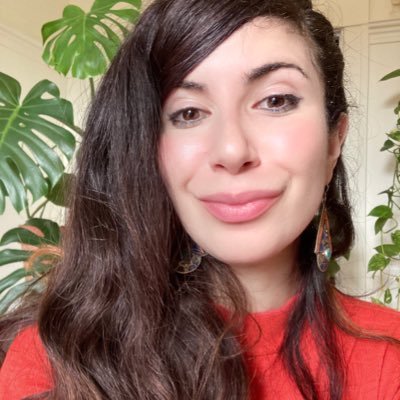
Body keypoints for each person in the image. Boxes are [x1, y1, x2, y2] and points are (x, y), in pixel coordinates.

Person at [0, 0, 400, 399]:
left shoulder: (390, 356)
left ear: (334, 142)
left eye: (276, 100)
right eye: (188, 112)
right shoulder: (58, 359)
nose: (231, 150)